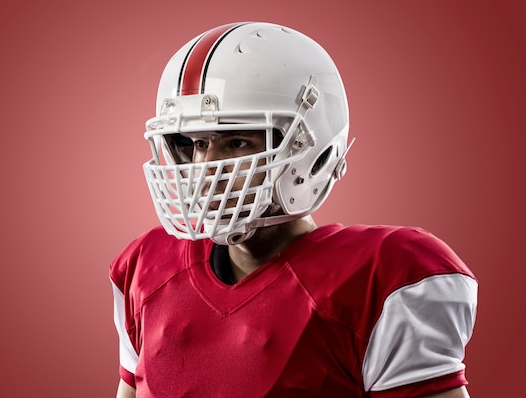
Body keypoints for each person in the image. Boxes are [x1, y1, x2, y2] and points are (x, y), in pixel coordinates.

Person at [109, 22, 477, 398]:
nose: (207, 169)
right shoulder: (147, 268)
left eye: (237, 142)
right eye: (198, 143)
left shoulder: (382, 277)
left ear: (310, 149)